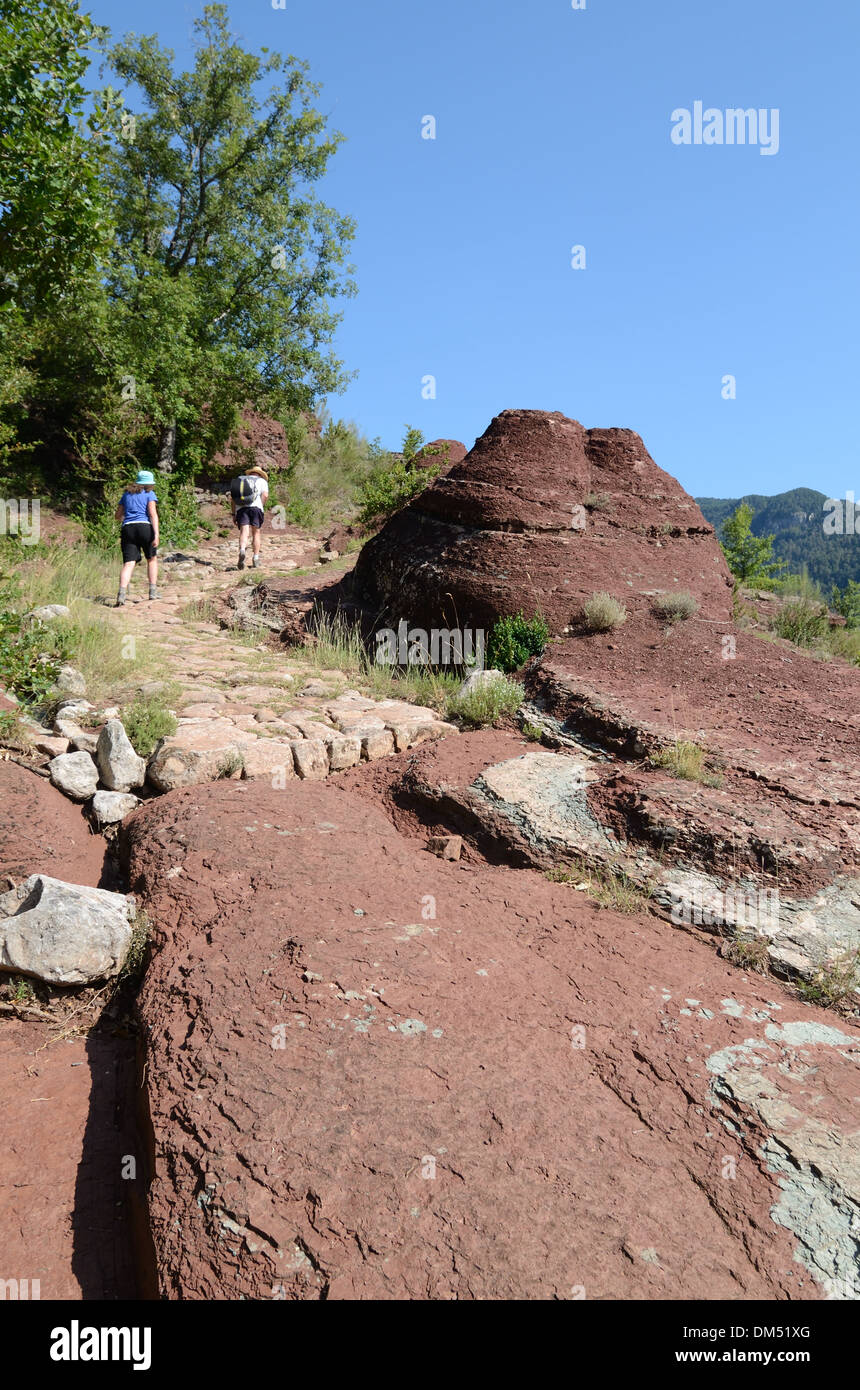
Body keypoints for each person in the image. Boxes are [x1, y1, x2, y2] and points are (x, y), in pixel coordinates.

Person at [115, 470, 160, 606]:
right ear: (148, 484)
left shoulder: (126, 495)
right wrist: (156, 534)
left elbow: (117, 516)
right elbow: (153, 514)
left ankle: (121, 594)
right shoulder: (149, 494)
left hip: (128, 528)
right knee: (151, 559)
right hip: (145, 527)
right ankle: (152, 591)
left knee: (128, 563)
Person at [230, 464, 269, 570]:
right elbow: (265, 495)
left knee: (244, 532)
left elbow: (233, 499)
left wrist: (233, 514)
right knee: (256, 532)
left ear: (250, 472)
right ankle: (256, 558)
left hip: (241, 509)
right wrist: (260, 506)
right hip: (256, 508)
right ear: (260, 474)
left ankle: (242, 550)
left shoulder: (241, 480)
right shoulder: (262, 481)